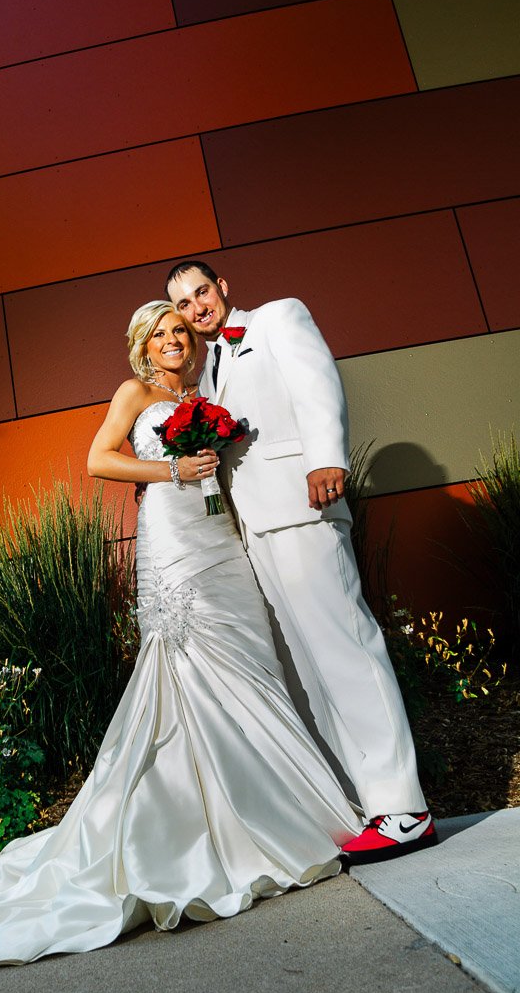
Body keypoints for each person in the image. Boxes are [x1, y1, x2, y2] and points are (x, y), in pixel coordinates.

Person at [0, 301, 361, 980]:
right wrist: (175, 471)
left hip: (220, 539)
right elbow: (98, 460)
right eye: (161, 333)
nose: (174, 340)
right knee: (189, 670)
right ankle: (204, 829)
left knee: (248, 661)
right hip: (173, 542)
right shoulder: (134, 393)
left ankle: (277, 808)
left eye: (179, 332)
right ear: (142, 346)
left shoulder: (206, 395)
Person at [166, 261, 437, 864]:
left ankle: (407, 809)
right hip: (256, 527)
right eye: (182, 304)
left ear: (223, 289)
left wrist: (325, 459)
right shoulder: (205, 368)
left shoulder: (278, 316)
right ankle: (367, 804)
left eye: (201, 292)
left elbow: (319, 384)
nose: (195, 308)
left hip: (304, 504)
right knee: (307, 669)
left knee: (347, 649)